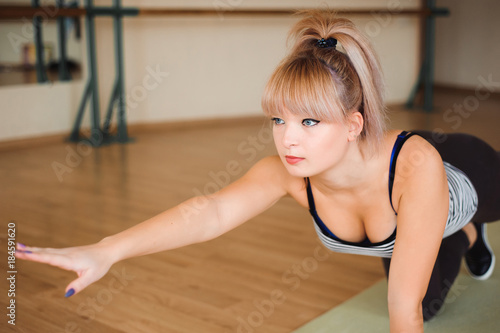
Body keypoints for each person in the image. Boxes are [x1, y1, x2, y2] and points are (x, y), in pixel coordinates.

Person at [15, 10, 499, 332]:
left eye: (310, 121)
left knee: (413, 300)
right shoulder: (288, 173)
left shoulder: (416, 167)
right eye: (279, 119)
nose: (289, 138)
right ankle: (463, 237)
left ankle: (468, 228)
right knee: (431, 301)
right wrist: (108, 250)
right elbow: (209, 213)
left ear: (354, 125)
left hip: (467, 171)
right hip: (418, 214)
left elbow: (401, 310)